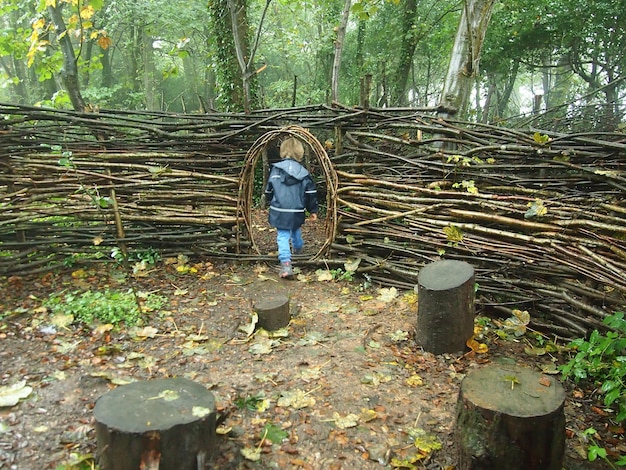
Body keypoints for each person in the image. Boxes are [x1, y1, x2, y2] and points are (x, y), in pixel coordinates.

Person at [265, 137, 318, 278]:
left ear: (283, 151)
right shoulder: (304, 173)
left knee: (282, 235)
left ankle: (286, 265)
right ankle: (298, 248)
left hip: (279, 209)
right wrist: (312, 210)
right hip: (296, 210)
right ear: (299, 153)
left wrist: (270, 201)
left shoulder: (275, 170)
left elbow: (269, 190)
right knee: (295, 230)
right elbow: (310, 193)